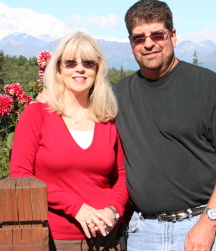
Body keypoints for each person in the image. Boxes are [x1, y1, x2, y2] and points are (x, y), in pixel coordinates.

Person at [112, 0, 216, 251]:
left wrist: (208, 224)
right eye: (139, 38)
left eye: (157, 35)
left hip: (202, 227)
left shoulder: (208, 86)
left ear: (173, 36)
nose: (149, 43)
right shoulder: (119, 94)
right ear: (131, 43)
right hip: (143, 231)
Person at [10, 31, 128, 251]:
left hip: (109, 239)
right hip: (57, 240)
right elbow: (20, 176)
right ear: (58, 69)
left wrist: (113, 210)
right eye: (70, 63)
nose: (80, 69)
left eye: (88, 63)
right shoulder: (37, 115)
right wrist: (76, 208)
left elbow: (121, 176)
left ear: (98, 69)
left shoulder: (107, 119)